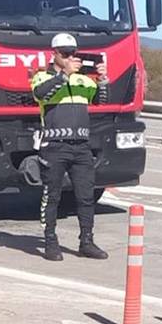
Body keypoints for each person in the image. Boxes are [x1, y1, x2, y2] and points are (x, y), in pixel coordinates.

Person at [30, 33, 109, 262]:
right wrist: (64, 75)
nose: (70, 57)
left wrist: (103, 79)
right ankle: (50, 242)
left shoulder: (83, 79)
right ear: (54, 54)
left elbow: (100, 100)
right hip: (54, 146)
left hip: (82, 146)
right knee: (51, 195)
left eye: (73, 53)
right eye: (65, 54)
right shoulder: (42, 77)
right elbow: (40, 94)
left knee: (86, 196)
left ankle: (87, 241)